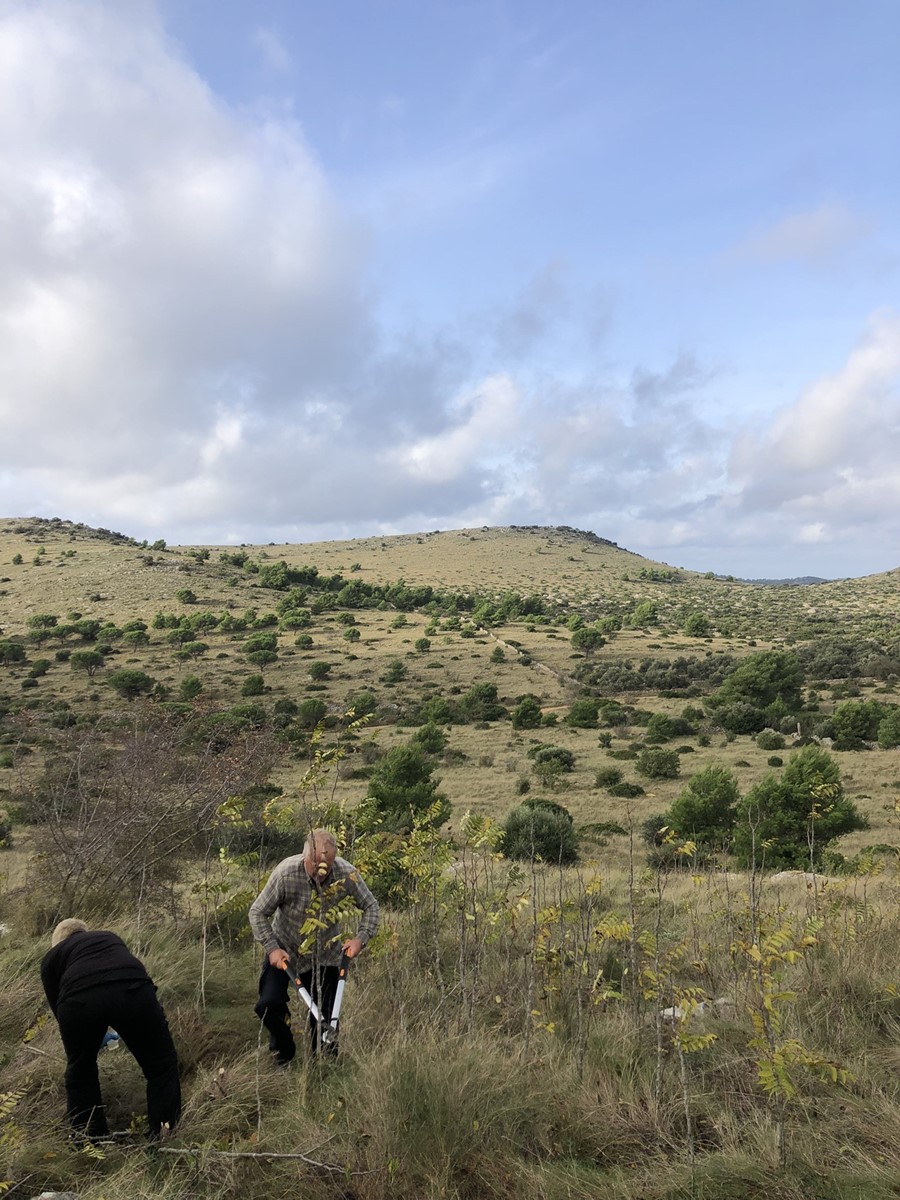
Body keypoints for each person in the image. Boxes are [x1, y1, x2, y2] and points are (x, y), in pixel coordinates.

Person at [40, 919, 181, 1140]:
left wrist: (90, 1040)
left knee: (81, 1071)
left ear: (57, 942)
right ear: (84, 932)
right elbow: (121, 974)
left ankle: (89, 1141)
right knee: (161, 1064)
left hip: (78, 1003)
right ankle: (164, 1133)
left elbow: (59, 1008)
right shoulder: (109, 937)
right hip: (133, 989)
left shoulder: (52, 957)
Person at [249, 828, 379, 1064]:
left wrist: (360, 939)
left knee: (325, 1021)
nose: (321, 872)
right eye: (316, 864)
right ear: (305, 856)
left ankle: (323, 1070)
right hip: (285, 949)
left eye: (326, 866)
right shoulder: (286, 873)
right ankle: (284, 1053)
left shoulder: (346, 874)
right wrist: (272, 948)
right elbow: (257, 912)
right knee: (268, 1005)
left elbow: (371, 906)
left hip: (325, 955)